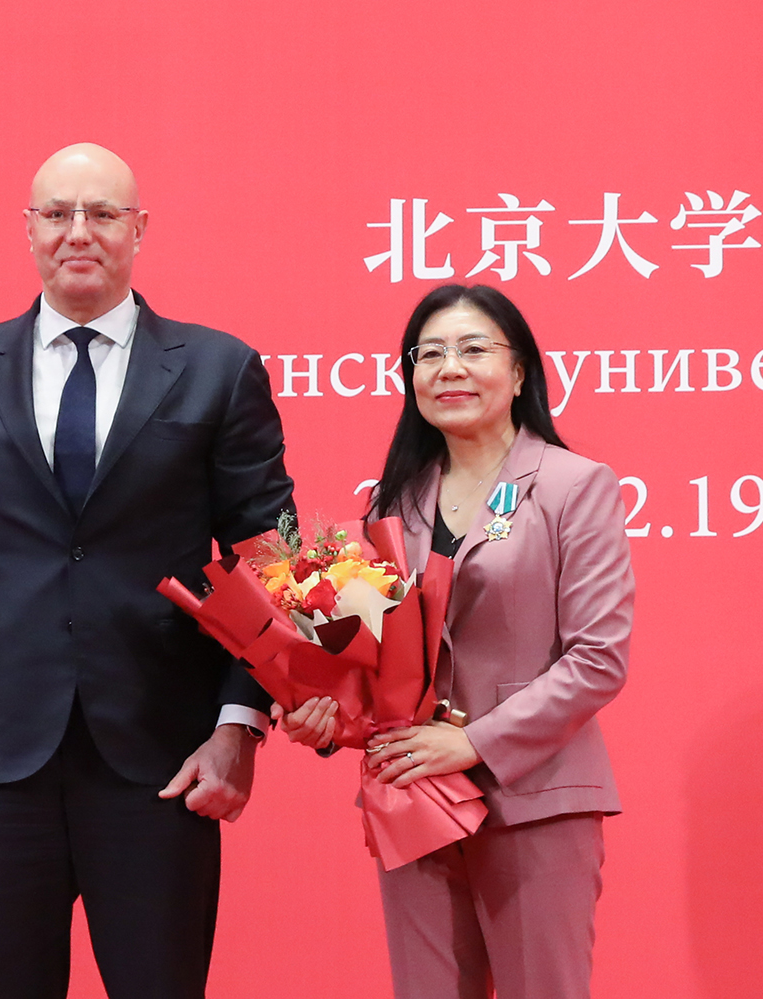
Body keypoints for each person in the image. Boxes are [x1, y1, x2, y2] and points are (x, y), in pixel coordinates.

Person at [0, 143, 293, 999]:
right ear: (28, 229)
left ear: (139, 229)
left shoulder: (218, 369)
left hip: (164, 753)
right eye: (58, 213)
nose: (79, 232)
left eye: (103, 214)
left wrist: (240, 722)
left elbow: (268, 559)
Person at [279, 284, 633, 999]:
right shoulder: (394, 501)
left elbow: (598, 658)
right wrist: (328, 715)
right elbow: (380, 656)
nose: (450, 368)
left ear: (520, 372)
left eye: (474, 349)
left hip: (533, 798)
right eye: (430, 354)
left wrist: (473, 743)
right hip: (413, 793)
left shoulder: (573, 485)